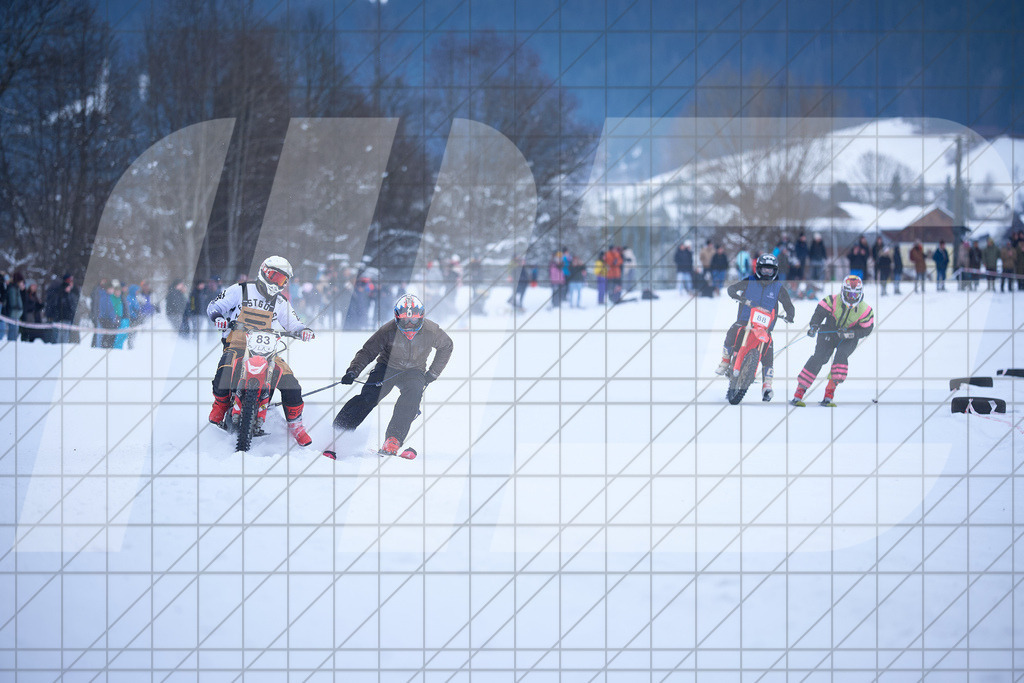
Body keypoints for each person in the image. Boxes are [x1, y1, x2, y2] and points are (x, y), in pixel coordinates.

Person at [206, 256, 316, 447]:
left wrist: (303, 331)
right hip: (237, 344)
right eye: (274, 276)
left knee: (291, 383)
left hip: (267, 351)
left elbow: (294, 323)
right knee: (225, 369)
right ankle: (221, 405)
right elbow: (214, 306)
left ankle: (296, 425)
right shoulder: (240, 290)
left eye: (282, 280)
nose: (277, 283)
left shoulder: (280, 302)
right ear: (264, 272)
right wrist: (219, 318)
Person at [328, 294, 453, 457]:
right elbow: (367, 351)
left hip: (414, 370)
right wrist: (353, 371)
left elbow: (447, 346)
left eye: (414, 320)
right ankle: (339, 431)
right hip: (387, 367)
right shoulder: (387, 330)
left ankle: (394, 439)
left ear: (421, 317)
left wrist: (433, 373)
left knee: (413, 394)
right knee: (370, 396)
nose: (409, 324)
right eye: (405, 320)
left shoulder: (432, 330)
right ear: (397, 318)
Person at [715, 253, 795, 402]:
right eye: (764, 269)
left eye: (770, 270)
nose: (767, 272)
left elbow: (788, 304)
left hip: (765, 327)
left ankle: (767, 385)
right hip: (745, 321)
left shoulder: (778, 287)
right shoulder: (749, 281)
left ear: (775, 271)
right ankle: (725, 361)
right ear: (758, 268)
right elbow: (732, 289)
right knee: (732, 332)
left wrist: (790, 315)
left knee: (769, 350)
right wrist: (740, 298)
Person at [790, 274, 874, 407]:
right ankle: (799, 392)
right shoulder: (832, 300)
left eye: (855, 295)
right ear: (843, 292)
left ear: (860, 294)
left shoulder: (865, 310)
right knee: (819, 358)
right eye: (849, 294)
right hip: (829, 332)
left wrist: (851, 333)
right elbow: (819, 313)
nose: (852, 298)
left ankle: (829, 393)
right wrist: (814, 325)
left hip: (848, 338)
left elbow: (867, 329)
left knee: (841, 357)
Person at [45, 273, 80, 343]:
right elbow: (57, 302)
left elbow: (74, 302)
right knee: (58, 335)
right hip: (60, 316)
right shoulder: (60, 289)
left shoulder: (74, 290)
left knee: (65, 335)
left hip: (68, 316)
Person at [5, 272, 25, 341]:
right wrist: (17, 308)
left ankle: (12, 341)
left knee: (15, 331)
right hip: (13, 312)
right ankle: (11, 342)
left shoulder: (16, 288)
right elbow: (13, 300)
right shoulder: (12, 288)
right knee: (13, 331)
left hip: (16, 313)